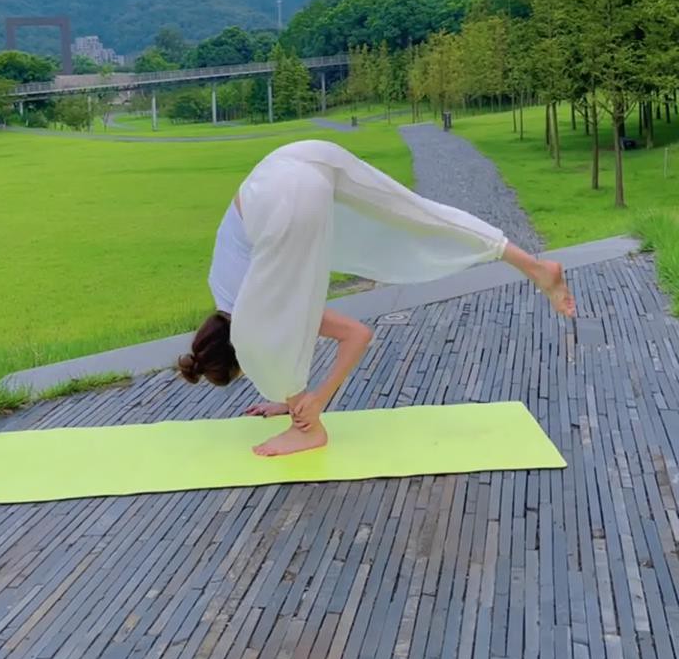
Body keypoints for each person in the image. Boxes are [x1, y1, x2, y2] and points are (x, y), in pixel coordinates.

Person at [178, 139, 576, 458]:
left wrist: (314, 399)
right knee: (418, 214)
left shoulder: (256, 319)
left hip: (285, 199)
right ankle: (533, 266)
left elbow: (356, 335)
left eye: (242, 372)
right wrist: (286, 399)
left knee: (262, 353)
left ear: (235, 358)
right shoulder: (226, 285)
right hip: (301, 156)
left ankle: (308, 429)